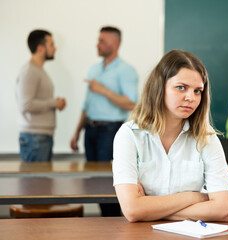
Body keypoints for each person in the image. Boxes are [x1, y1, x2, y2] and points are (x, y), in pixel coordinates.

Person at [113, 49, 228, 222]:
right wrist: (195, 197)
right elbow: (132, 210)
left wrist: (148, 209)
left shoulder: (206, 138)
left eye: (197, 91)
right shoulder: (129, 135)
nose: (190, 97)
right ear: (159, 87)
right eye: (181, 88)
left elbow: (223, 210)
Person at [70, 26, 138, 216]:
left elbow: (131, 103)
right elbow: (86, 104)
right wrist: (77, 132)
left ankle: (114, 220)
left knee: (109, 181)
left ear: (115, 44)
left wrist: (104, 90)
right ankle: (104, 221)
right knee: (93, 180)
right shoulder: (94, 69)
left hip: (110, 131)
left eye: (102, 41)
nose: (97, 44)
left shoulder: (126, 71)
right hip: (90, 130)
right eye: (98, 40)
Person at [16, 29, 66, 162]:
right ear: (40, 48)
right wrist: (54, 103)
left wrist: (55, 103)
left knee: (41, 182)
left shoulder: (37, 70)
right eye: (51, 44)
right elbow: (25, 105)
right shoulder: (30, 71)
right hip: (35, 138)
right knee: (36, 182)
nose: (55, 48)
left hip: (40, 137)